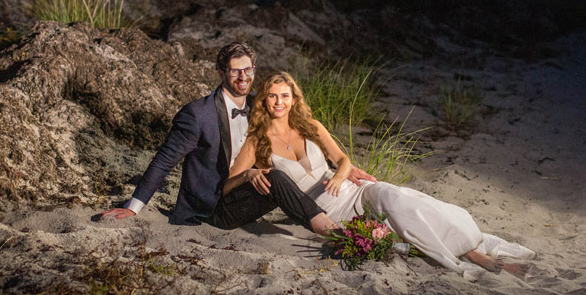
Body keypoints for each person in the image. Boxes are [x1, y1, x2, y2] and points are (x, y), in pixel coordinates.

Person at [225, 72, 535, 278]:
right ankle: (463, 257)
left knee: (395, 198)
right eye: (273, 96)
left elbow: (343, 159)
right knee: (395, 232)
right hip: (325, 212)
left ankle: (473, 253)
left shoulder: (312, 127)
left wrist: (338, 175)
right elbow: (228, 185)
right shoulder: (257, 142)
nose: (280, 102)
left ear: (294, 99)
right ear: (263, 101)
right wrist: (250, 173)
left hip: (351, 190)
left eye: (285, 95)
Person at [101, 43, 373, 233]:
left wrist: (338, 166)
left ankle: (342, 225)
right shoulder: (198, 115)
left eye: (248, 70)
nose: (243, 77)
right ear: (221, 73)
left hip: (254, 197)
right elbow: (163, 161)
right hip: (215, 206)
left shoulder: (262, 103)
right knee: (276, 177)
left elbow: (298, 132)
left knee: (277, 176)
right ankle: (326, 229)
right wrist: (133, 207)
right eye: (235, 70)